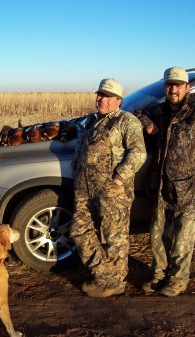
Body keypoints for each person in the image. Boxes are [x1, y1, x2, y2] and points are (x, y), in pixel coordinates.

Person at [134, 67, 195, 297]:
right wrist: (147, 122)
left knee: (182, 239)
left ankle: (177, 280)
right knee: (158, 236)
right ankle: (159, 275)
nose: (173, 89)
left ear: (187, 87)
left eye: (178, 85)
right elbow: (137, 112)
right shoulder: (160, 111)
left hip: (188, 189)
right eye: (169, 85)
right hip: (161, 187)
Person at [70, 78, 147, 298]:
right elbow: (80, 150)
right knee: (79, 229)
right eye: (100, 95)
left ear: (119, 101)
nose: (101, 99)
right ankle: (105, 276)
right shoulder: (92, 121)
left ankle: (114, 283)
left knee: (115, 237)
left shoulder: (126, 121)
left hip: (113, 191)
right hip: (85, 189)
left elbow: (138, 153)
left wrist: (119, 178)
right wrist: (76, 170)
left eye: (107, 96)